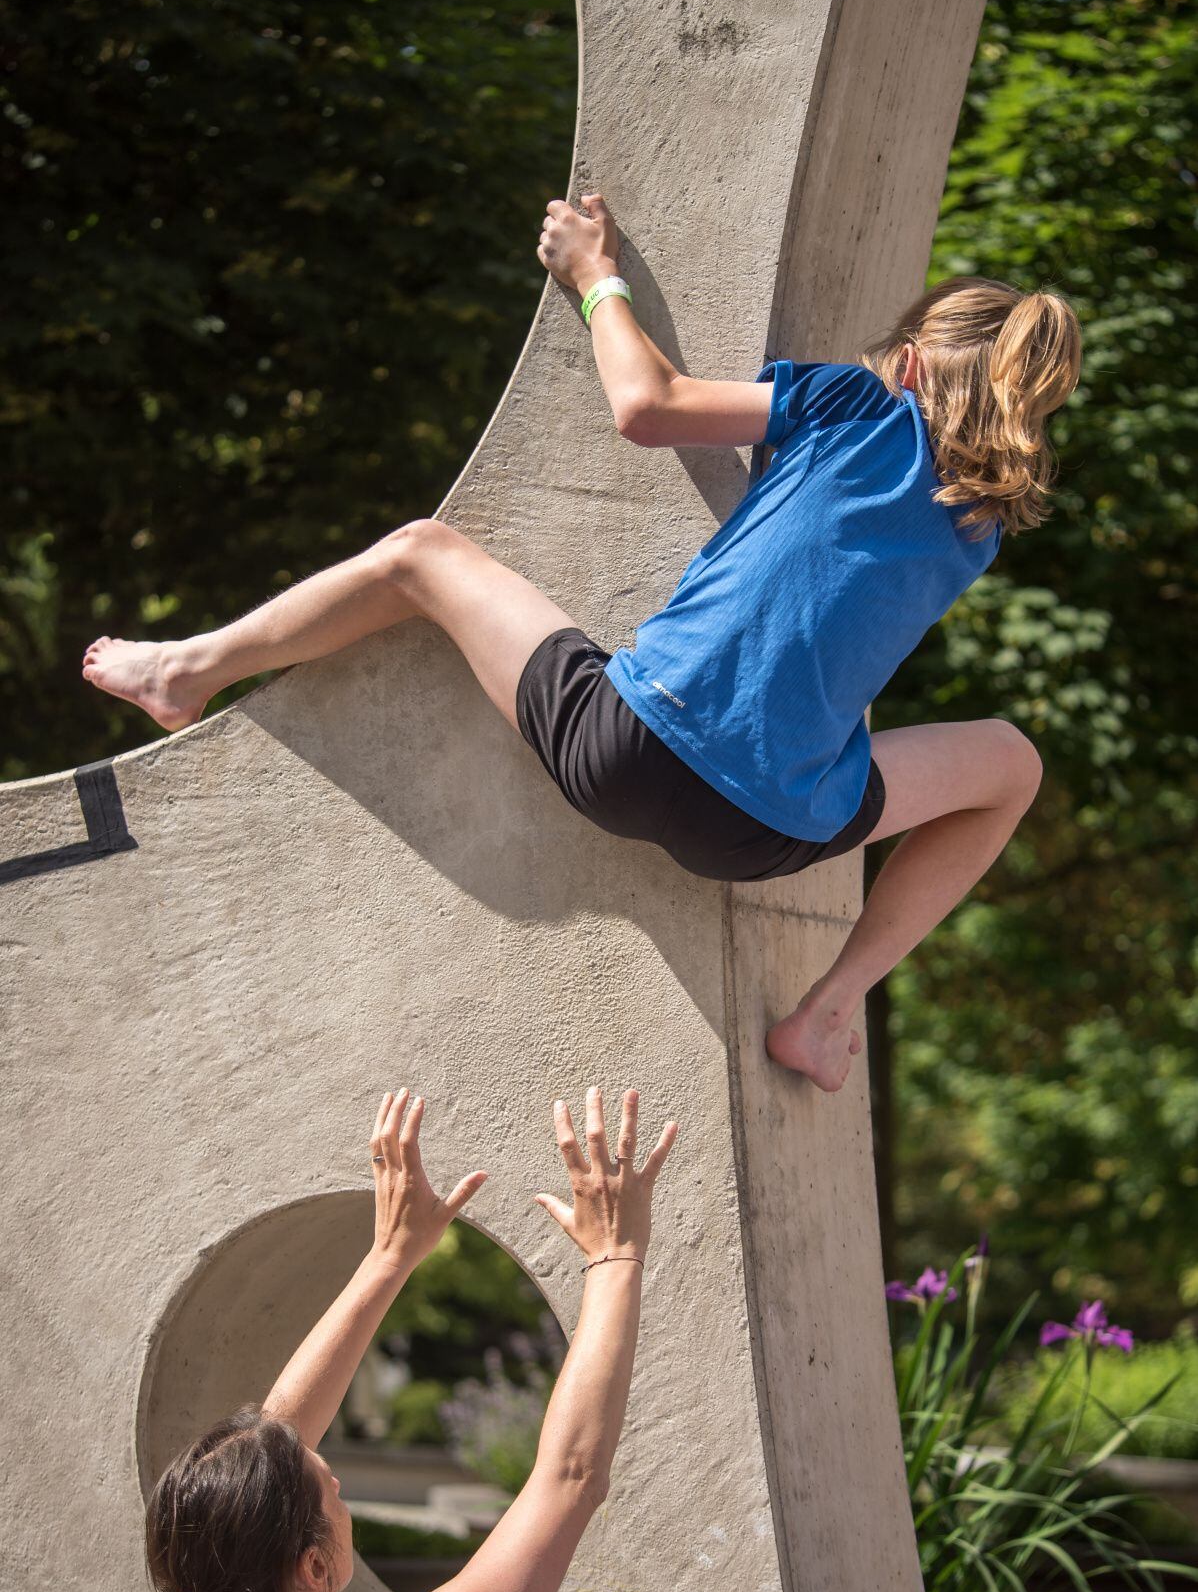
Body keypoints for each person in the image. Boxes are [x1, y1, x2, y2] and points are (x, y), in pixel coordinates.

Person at [83, 195, 1082, 1093]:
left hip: (629, 745)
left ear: (912, 364)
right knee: (1012, 765)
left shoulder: (856, 405)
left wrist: (595, 275)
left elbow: (648, 408)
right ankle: (827, 1010)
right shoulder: (979, 528)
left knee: (423, 554)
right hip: (762, 837)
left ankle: (185, 670)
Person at [123, 1083, 676, 1592]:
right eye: (330, 1486)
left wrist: (390, 1255)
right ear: (313, 1567)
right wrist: (616, 1254)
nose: (334, 1476)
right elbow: (571, 1477)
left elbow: (267, 1449)